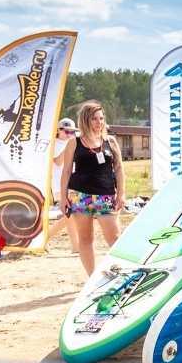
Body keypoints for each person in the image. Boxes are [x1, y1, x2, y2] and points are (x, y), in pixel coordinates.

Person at [58, 101, 126, 275]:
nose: (99, 122)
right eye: (94, 119)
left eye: (101, 118)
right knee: (86, 238)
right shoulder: (74, 143)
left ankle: (120, 272)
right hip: (81, 196)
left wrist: (121, 194)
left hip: (106, 197)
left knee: (116, 239)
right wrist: (63, 197)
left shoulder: (110, 141)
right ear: (86, 120)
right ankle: (92, 278)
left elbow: (118, 168)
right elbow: (66, 171)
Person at [47, 117, 80, 254]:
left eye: (72, 132)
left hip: (72, 182)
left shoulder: (73, 144)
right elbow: (58, 162)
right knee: (70, 215)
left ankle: (75, 247)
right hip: (59, 184)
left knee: (71, 215)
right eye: (66, 132)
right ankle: (45, 237)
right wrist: (69, 146)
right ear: (59, 131)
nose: (69, 135)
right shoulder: (54, 143)